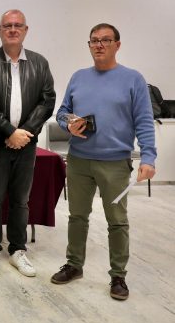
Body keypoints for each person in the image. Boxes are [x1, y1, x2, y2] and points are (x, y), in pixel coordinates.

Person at [51, 23, 156, 301]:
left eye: (105, 40)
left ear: (117, 45)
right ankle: (74, 265)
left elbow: (144, 121)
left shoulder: (133, 79)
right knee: (77, 216)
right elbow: (63, 112)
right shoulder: (78, 77)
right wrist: (68, 123)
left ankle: (118, 275)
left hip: (115, 163)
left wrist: (148, 156)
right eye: (94, 40)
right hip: (79, 161)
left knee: (117, 221)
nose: (99, 45)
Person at [0, 9, 55, 278]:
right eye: (7, 26)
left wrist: (25, 133)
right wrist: (9, 131)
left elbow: (47, 101)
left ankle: (18, 250)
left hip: (26, 144)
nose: (12, 29)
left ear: (25, 30)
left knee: (21, 201)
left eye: (17, 25)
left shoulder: (40, 63)